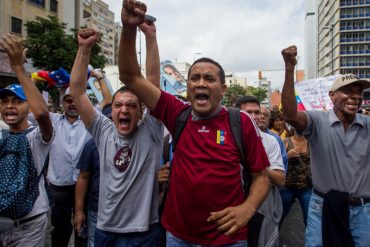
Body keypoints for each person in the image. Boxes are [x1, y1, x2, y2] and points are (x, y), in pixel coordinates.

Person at [118, 1, 270, 246]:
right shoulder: (177, 113)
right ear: (187, 88)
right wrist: (128, 28)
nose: (200, 83)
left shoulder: (240, 122)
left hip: (228, 239)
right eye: (194, 78)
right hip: (179, 236)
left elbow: (261, 176)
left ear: (222, 89)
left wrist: (248, 208)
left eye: (209, 78)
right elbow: (130, 76)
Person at [69, 18, 164, 246]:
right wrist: (83, 49)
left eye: (132, 105)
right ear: (112, 111)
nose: (124, 110)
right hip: (106, 230)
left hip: (144, 231)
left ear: (142, 110)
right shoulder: (103, 131)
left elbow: (153, 84)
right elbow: (78, 92)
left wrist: (150, 36)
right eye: (119, 105)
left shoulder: (151, 130)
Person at [281, 45, 370, 247]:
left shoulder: (367, 125)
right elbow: (289, 115)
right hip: (322, 207)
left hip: (362, 210)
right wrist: (289, 69)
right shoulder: (317, 120)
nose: (355, 96)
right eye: (348, 91)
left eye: (359, 92)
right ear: (332, 96)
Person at [0, 33, 54, 246]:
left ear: (28, 106)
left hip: (29, 224)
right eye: (4, 102)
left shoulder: (36, 137)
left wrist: (19, 69)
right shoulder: (2, 134)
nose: (9, 106)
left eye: (17, 101)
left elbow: (42, 115)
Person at [237, 96, 285, 247]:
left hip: (262, 209)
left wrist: (257, 162)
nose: (254, 117)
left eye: (257, 112)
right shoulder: (226, 138)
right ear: (236, 114)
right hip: (232, 207)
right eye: (248, 112)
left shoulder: (271, 141)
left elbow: (280, 180)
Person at [280, 127, 312, 226]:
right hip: (287, 188)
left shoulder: (310, 142)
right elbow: (276, 162)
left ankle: (311, 241)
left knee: (310, 220)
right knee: (279, 217)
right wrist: (287, 156)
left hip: (306, 187)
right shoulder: (285, 142)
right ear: (293, 127)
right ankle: (272, 240)